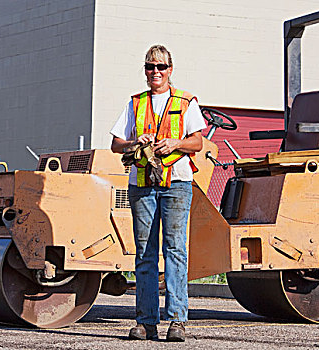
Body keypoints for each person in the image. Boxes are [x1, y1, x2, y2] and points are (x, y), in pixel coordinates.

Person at [110, 45, 206, 342]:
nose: (155, 72)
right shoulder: (135, 104)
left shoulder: (186, 102)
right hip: (142, 184)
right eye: (150, 67)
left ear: (170, 70)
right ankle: (145, 322)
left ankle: (177, 321)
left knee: (175, 250)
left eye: (160, 67)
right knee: (145, 254)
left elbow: (198, 143)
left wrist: (175, 144)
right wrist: (133, 143)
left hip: (177, 183)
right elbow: (116, 144)